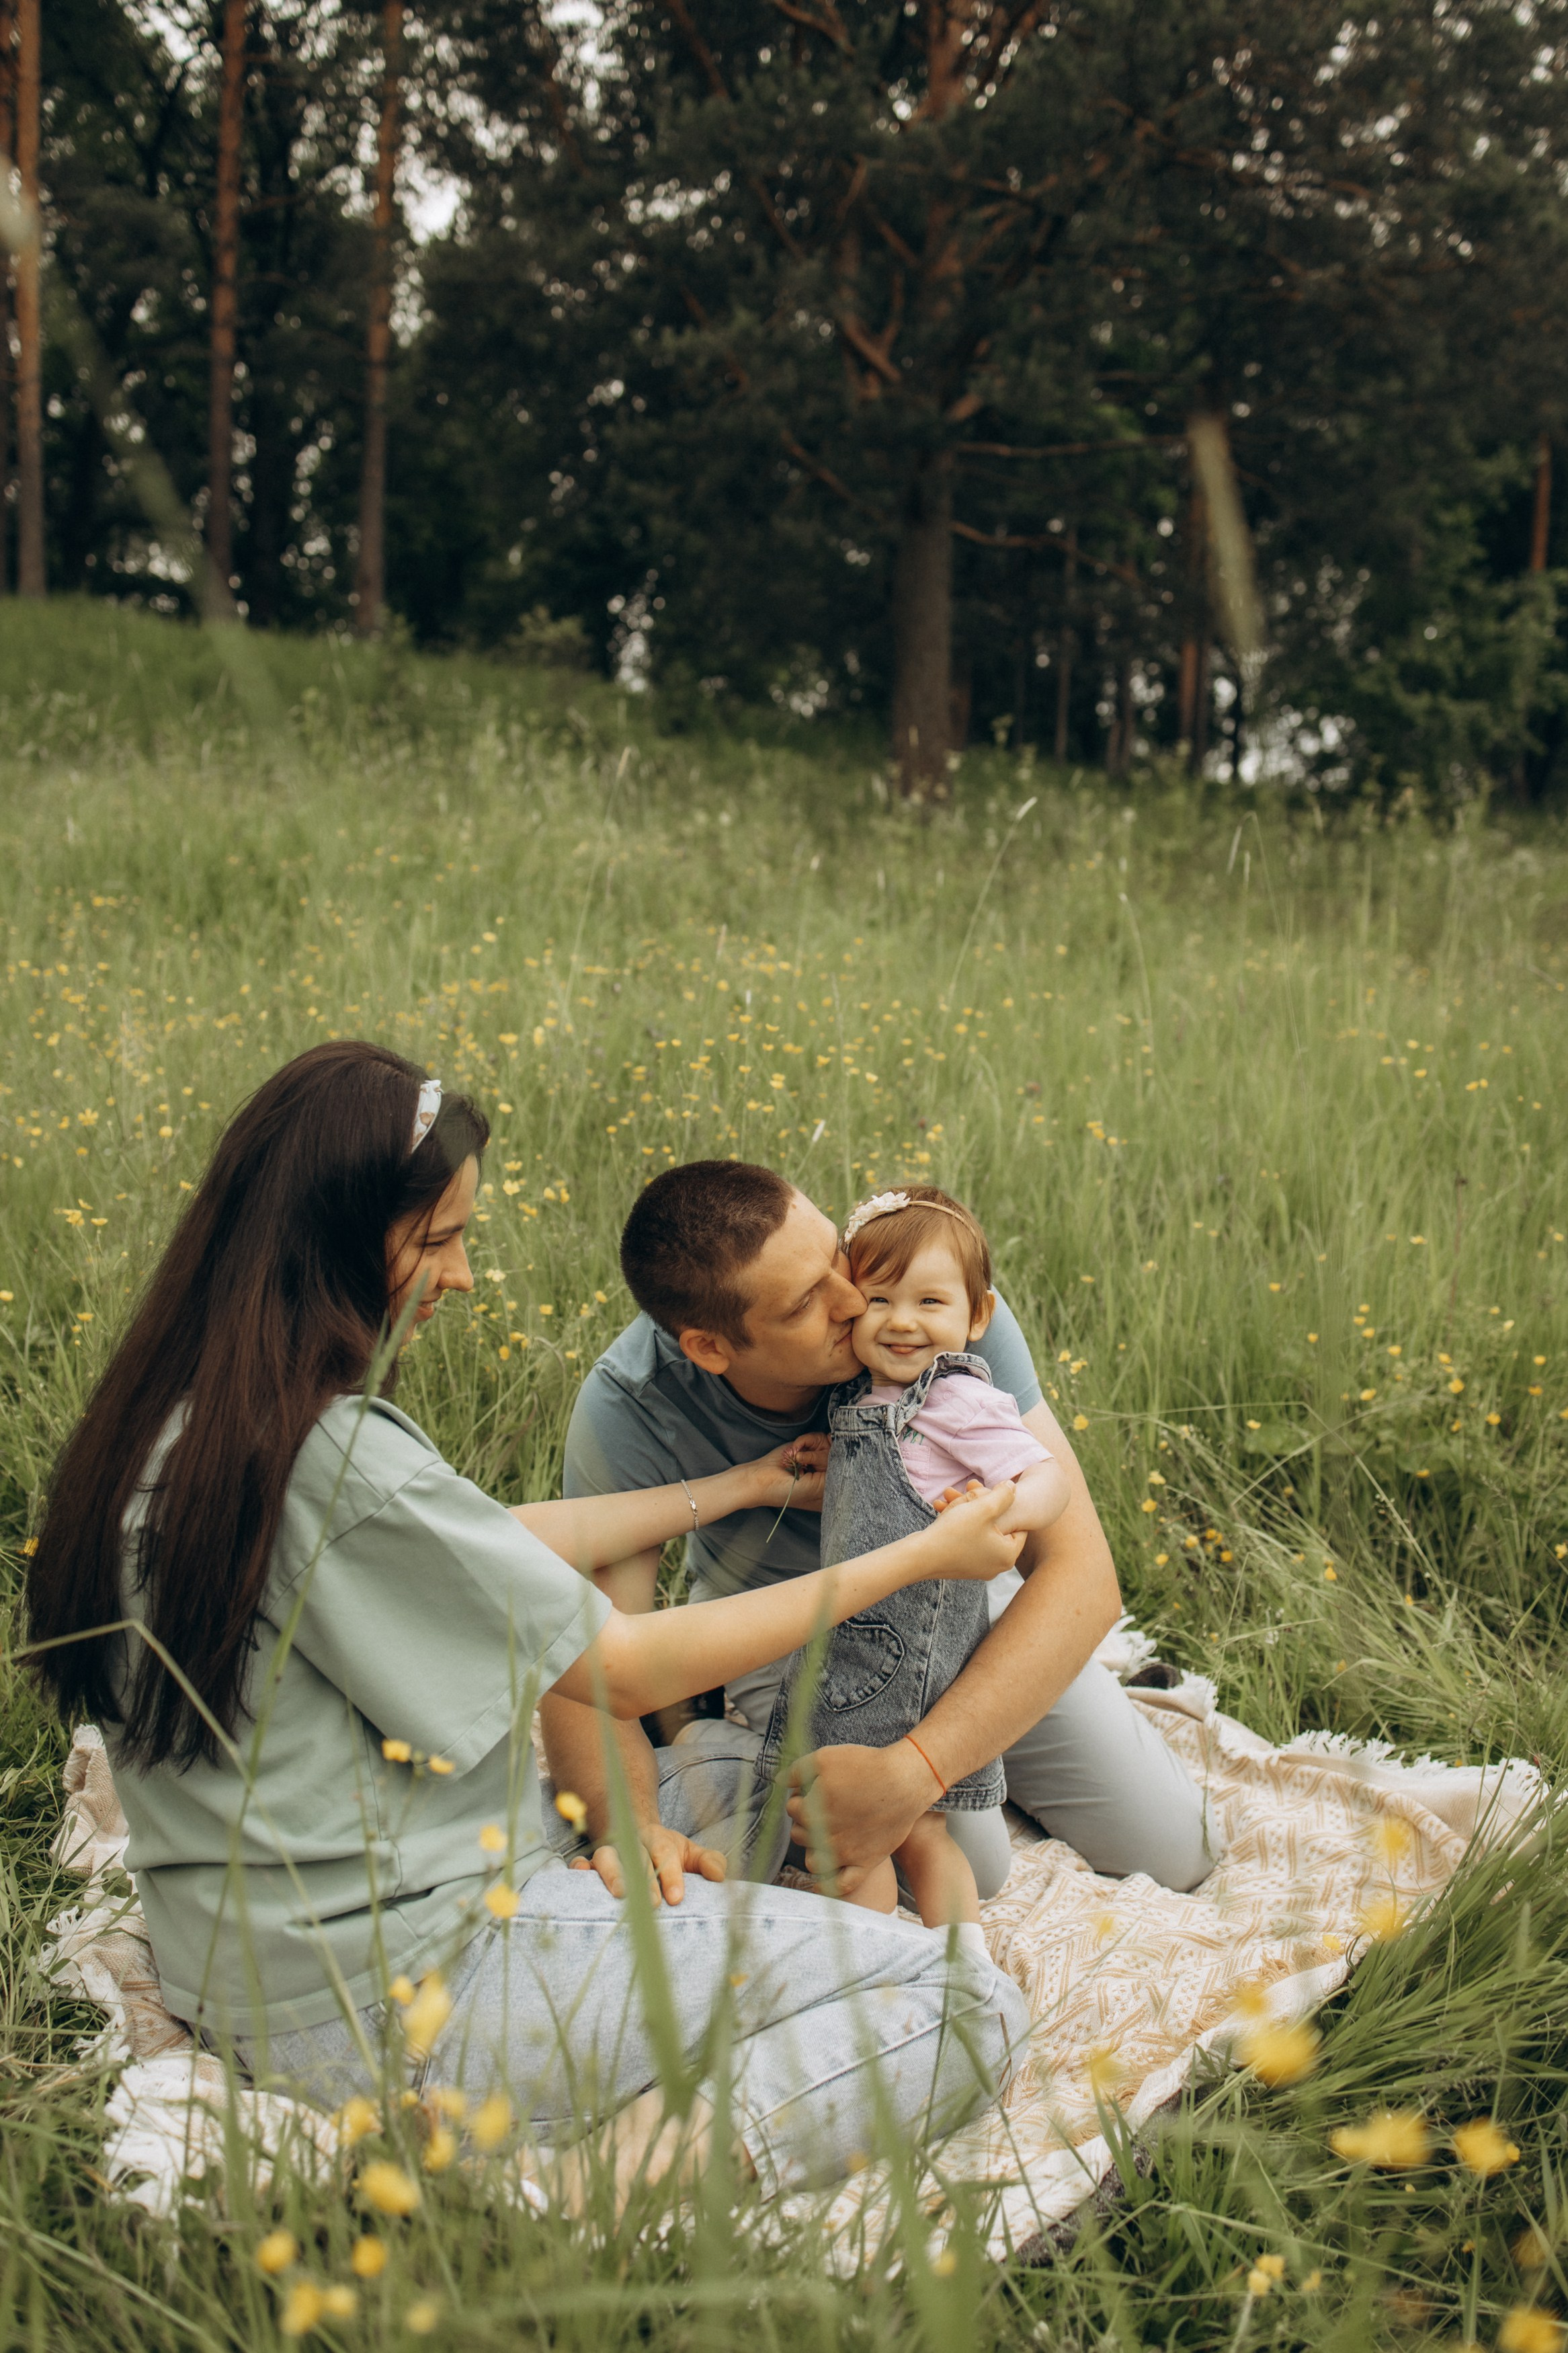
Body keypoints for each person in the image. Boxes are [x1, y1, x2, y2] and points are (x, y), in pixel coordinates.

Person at [24, 1042, 1030, 2206]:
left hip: (261, 1969)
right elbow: (626, 1659)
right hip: (411, 1980)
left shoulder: (179, 1427)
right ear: (337, 1242)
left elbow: (489, 1538)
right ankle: (595, 2196)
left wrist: (742, 1489)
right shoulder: (333, 1457)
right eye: (439, 1240)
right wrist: (921, 1555)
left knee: (726, 1775)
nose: (460, 1276)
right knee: (959, 2001)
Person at [560, 1160, 1215, 1906]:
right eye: (809, 1300)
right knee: (976, 1870)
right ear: (711, 1348)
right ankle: (727, 1748)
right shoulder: (632, 1406)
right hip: (794, 1631)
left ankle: (987, 1749)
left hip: (960, 1599)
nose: (855, 1301)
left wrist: (918, 1768)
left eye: (830, 1256)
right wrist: (631, 1822)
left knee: (1177, 1850)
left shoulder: (931, 1311)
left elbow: (1080, 1575)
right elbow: (579, 1644)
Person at [757, 1186, 1070, 1946]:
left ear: (977, 1316)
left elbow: (1045, 1478)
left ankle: (884, 1967)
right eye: (878, 1298)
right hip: (853, 1643)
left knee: (860, 1835)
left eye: (929, 1300)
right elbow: (896, 1483)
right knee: (901, 1832)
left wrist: (1001, 1510)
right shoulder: (869, 1397)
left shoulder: (959, 1396)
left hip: (901, 1656)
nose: (901, 1320)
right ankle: (945, 1965)